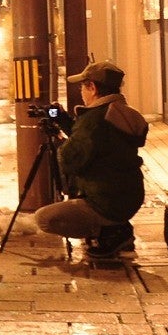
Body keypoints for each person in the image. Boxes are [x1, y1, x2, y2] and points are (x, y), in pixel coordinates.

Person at [33, 61, 149, 262]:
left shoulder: (93, 120)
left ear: (93, 88)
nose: (81, 92)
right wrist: (65, 122)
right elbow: (96, 142)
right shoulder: (119, 112)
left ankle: (110, 233)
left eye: (82, 86)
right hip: (129, 196)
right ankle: (115, 228)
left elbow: (69, 161)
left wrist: (60, 142)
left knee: (44, 219)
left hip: (105, 202)